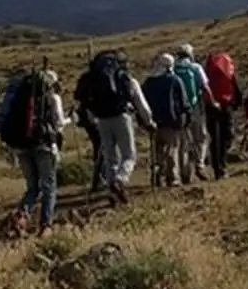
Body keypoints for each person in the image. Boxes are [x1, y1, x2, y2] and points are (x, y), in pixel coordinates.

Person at [84, 50, 155, 205]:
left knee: (110, 157)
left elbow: (88, 103)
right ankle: (120, 181)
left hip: (102, 119)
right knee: (129, 155)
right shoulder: (127, 79)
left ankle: (112, 192)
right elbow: (141, 104)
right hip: (122, 117)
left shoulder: (97, 79)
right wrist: (149, 122)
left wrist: (94, 120)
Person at [9, 70, 67, 238]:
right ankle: (46, 225)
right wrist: (71, 120)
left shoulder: (20, 99)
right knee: (49, 187)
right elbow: (58, 124)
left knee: (32, 187)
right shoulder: (52, 98)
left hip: (21, 146)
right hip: (44, 145)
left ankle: (21, 216)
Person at [141, 54, 190, 188]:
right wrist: (187, 116)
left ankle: (157, 174)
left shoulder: (148, 82)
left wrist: (144, 121)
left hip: (153, 122)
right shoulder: (174, 80)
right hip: (171, 121)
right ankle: (172, 178)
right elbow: (183, 101)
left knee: (157, 151)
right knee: (172, 149)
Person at [173, 44, 214, 183]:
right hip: (196, 108)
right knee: (201, 138)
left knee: (183, 143)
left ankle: (185, 173)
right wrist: (212, 102)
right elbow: (205, 87)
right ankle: (200, 164)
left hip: (180, 111)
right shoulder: (195, 68)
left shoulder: (173, 69)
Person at [202, 51, 242, 181]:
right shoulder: (228, 73)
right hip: (226, 106)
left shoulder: (207, 73)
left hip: (211, 107)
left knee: (215, 138)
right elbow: (236, 89)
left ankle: (217, 168)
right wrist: (237, 104)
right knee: (226, 136)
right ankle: (222, 165)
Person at [72, 68, 104, 191]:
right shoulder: (100, 80)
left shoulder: (85, 78)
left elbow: (77, 96)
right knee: (102, 148)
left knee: (98, 147)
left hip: (86, 117)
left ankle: (98, 180)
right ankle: (99, 179)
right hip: (96, 117)